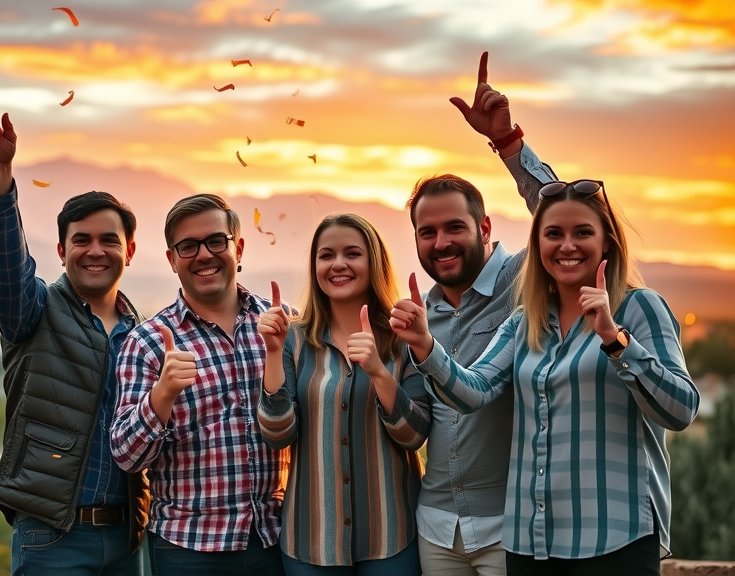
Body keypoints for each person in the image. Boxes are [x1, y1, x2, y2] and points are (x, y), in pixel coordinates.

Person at [391, 179, 700, 575]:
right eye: (553, 234)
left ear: (607, 241)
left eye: (582, 232)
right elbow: (474, 392)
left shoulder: (639, 307)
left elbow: (681, 410)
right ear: (538, 247)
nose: (567, 245)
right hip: (531, 542)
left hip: (614, 536)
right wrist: (425, 346)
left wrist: (615, 339)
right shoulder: (525, 322)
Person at [0, 80, 150, 576]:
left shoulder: (144, 335)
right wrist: (0, 185)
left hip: (128, 539)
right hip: (53, 538)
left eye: (109, 240)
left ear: (129, 251)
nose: (95, 250)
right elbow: (7, 271)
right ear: (62, 250)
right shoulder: (33, 311)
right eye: (81, 240)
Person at [407, 52, 557, 576]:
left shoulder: (524, 281)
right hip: (435, 527)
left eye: (454, 228)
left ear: (485, 226)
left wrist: (510, 145)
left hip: (509, 525)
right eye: (427, 233)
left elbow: (569, 218)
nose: (441, 243)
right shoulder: (420, 315)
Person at [111, 194, 288, 576]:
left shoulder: (282, 323)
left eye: (216, 241)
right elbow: (126, 456)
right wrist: (161, 395)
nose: (204, 254)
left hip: (277, 538)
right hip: (188, 549)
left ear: (237, 247)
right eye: (187, 246)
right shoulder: (148, 342)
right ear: (172, 259)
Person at [256, 213, 430, 575]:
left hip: (391, 538)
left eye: (352, 253)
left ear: (373, 262)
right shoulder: (294, 339)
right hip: (311, 541)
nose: (338, 264)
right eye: (326, 255)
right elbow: (277, 435)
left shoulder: (404, 337)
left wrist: (379, 372)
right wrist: (273, 354)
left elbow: (414, 435)